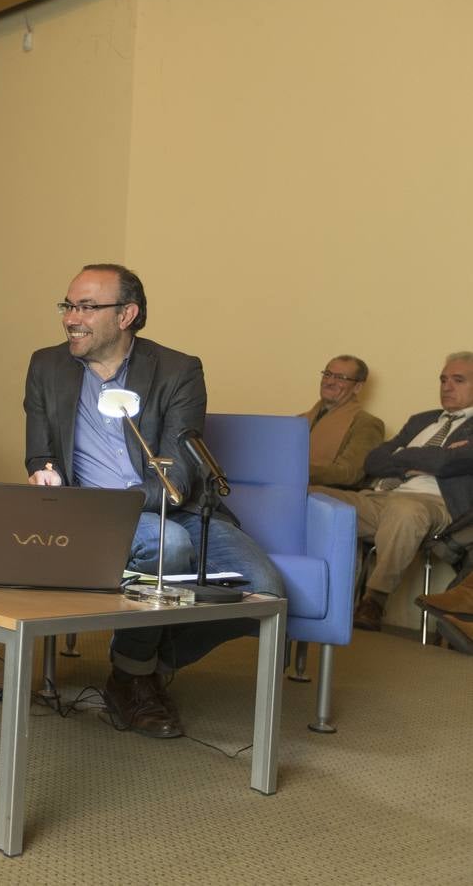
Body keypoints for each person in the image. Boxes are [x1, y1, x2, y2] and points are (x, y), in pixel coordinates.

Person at [24, 263, 283, 739]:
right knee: (169, 545)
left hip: (177, 504)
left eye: (86, 307)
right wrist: (45, 474)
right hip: (91, 511)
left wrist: (131, 500)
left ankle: (135, 667)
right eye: (68, 305)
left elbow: (180, 468)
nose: (70, 318)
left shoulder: (178, 370)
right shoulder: (47, 365)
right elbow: (40, 452)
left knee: (264, 591)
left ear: (126, 314)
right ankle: (137, 682)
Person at [315, 352, 473, 631]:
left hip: (437, 505)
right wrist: (420, 460)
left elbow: (449, 462)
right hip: (384, 497)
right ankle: (321, 599)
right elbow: (374, 461)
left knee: (406, 511)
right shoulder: (422, 420)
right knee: (313, 496)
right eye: (443, 379)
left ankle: (374, 600)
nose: (446, 386)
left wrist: (405, 455)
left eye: (458, 380)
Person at [299, 355, 384, 489]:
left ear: (358, 387)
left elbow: (349, 473)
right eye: (327, 374)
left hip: (327, 496)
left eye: (340, 378)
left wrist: (295, 470)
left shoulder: (366, 424)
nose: (330, 381)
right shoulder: (299, 420)